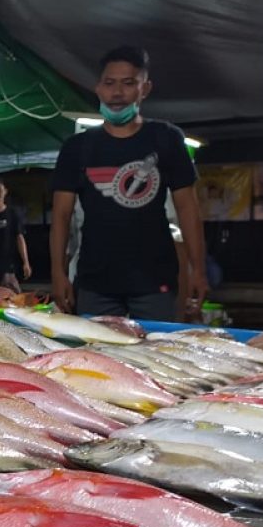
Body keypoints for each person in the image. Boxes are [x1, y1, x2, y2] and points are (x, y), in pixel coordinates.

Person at [49, 45, 206, 320]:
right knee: (97, 359)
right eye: (109, 83)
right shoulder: (78, 147)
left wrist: (198, 270)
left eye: (128, 83)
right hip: (95, 282)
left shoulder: (166, 138)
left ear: (144, 88)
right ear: (98, 88)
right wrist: (58, 273)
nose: (117, 93)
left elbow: (188, 210)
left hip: (155, 283)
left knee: (156, 358)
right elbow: (61, 216)